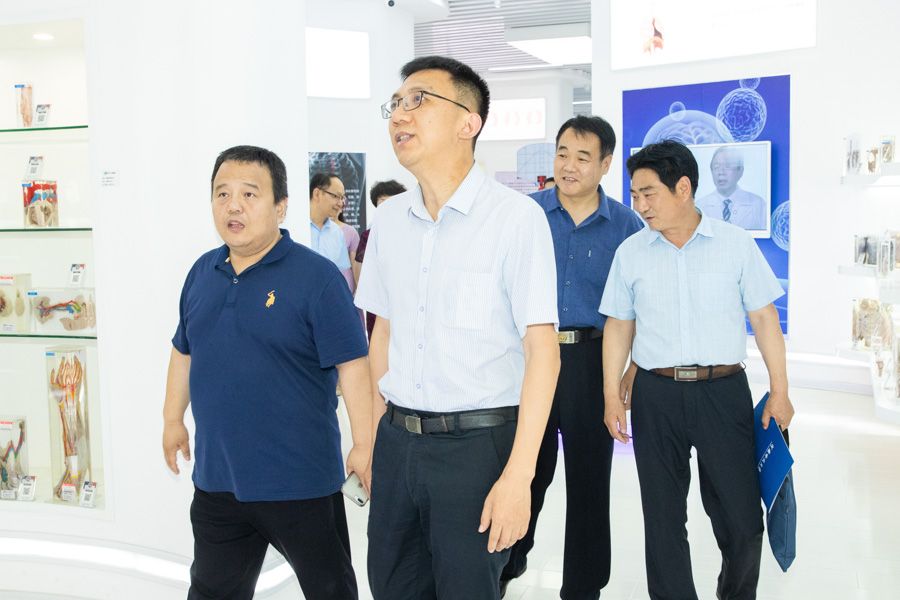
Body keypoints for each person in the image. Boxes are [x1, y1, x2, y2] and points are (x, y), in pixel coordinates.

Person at [355, 55, 561, 600]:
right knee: (392, 588)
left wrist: (519, 477)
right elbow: (382, 335)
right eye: (395, 104)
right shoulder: (389, 221)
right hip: (397, 442)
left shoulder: (515, 219)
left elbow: (543, 353)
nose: (401, 115)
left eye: (418, 100)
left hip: (477, 449)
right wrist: (374, 438)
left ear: (469, 123)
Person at [162, 145, 373, 599]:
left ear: (281, 206)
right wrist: (172, 419)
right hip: (219, 481)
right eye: (222, 194)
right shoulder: (202, 271)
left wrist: (364, 443)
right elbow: (184, 351)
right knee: (211, 592)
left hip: (299, 481)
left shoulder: (317, 278)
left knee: (331, 591)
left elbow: (354, 365)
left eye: (249, 194)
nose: (233, 206)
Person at [600, 140, 794, 600]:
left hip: (722, 392)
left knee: (742, 520)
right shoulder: (631, 252)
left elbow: (765, 318)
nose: (640, 205)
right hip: (656, 394)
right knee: (663, 519)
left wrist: (780, 390)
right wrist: (611, 394)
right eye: (634, 195)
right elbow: (619, 326)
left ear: (683, 188)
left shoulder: (734, 244)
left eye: (649, 193)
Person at [502, 115, 643, 600]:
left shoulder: (626, 226)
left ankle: (583, 589)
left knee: (589, 484)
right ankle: (504, 566)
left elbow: (640, 304)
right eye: (562, 153)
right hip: (528, 361)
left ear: (605, 164)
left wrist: (630, 369)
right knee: (523, 472)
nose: (569, 165)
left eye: (583, 157)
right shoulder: (526, 214)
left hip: (591, 362)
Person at [356, 179, 408, 339]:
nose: (387, 208)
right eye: (382, 203)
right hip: (378, 304)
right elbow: (360, 274)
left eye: (392, 202)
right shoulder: (368, 236)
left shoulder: (410, 234)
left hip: (406, 301)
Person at [695, 146, 767, 229]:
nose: (721, 172)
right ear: (711, 171)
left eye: (727, 166)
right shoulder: (699, 206)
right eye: (716, 167)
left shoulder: (758, 204)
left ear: (740, 171)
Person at [309, 172, 353, 276]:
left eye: (342, 198)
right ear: (317, 194)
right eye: (336, 196)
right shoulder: (296, 227)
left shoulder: (337, 233)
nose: (341, 203)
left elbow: (340, 273)